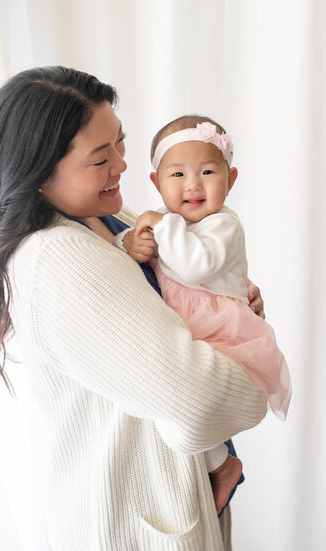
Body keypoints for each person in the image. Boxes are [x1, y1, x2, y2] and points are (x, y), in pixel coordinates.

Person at [0, 67, 268, 551]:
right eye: (99, 158)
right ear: (40, 170)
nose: (122, 166)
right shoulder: (59, 258)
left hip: (178, 496)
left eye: (120, 144)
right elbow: (202, 399)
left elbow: (191, 288)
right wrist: (253, 361)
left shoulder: (111, 219)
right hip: (130, 520)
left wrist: (235, 303)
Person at [113, 115, 292, 514]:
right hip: (187, 325)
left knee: (188, 408)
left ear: (230, 180)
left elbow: (196, 267)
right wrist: (130, 241)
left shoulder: (223, 224)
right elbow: (121, 240)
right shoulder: (163, 218)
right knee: (174, 408)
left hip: (218, 328)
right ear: (158, 183)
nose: (193, 184)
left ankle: (222, 465)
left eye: (208, 172)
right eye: (177, 174)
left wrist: (161, 227)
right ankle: (222, 465)